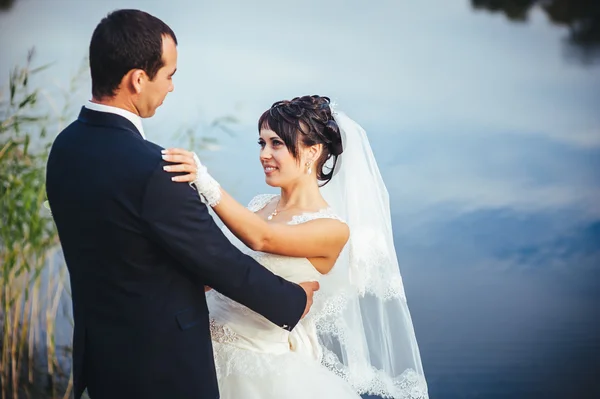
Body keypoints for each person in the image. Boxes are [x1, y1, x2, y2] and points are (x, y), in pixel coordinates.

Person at [45, 10, 319, 399]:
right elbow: (222, 262)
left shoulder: (66, 148)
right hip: (163, 371)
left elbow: (117, 244)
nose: (172, 87)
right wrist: (294, 300)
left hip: (103, 360)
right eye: (169, 75)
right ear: (138, 80)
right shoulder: (154, 169)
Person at [163, 95, 429, 398]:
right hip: (203, 351)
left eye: (276, 143)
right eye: (261, 143)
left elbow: (262, 239)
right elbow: (222, 266)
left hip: (259, 373)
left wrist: (206, 182)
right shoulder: (260, 206)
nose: (264, 154)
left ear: (312, 152)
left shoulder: (332, 229)